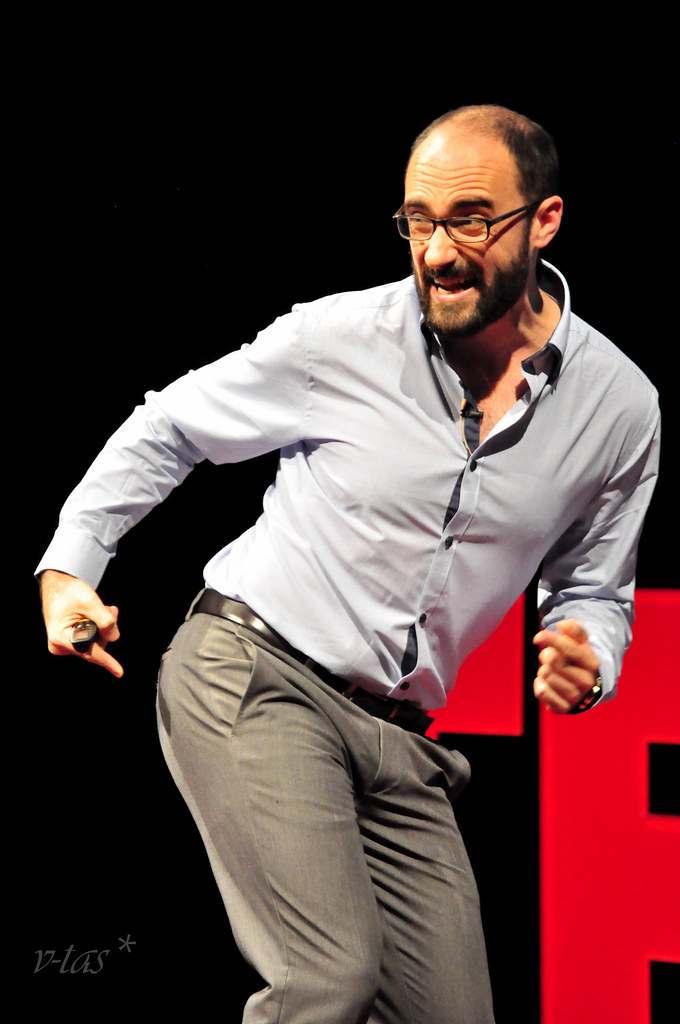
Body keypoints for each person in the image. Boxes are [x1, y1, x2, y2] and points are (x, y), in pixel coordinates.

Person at [37, 105, 660, 1023]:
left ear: (545, 220)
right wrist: (69, 571)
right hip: (256, 675)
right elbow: (169, 428)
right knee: (327, 978)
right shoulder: (339, 338)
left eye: (471, 221)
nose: (438, 253)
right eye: (418, 221)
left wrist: (589, 656)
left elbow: (594, 588)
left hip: (401, 741)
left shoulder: (620, 407)